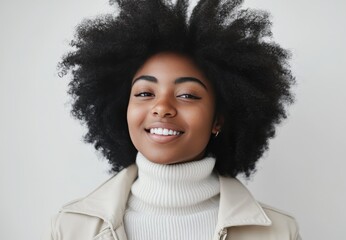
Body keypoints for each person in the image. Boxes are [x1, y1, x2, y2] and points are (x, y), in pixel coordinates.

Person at [46, 0, 300, 239]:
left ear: (218, 120)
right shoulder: (72, 228)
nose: (162, 108)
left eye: (187, 95)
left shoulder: (278, 232)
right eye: (145, 93)